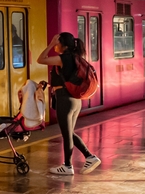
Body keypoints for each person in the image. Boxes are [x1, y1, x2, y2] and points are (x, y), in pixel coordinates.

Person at [37, 32, 101, 175]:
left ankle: (74, 163)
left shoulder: (63, 58)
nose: (55, 45)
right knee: (69, 133)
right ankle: (79, 161)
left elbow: (40, 59)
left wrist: (50, 45)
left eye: (57, 42)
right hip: (74, 100)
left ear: (64, 45)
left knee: (67, 134)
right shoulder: (75, 58)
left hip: (65, 100)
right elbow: (67, 79)